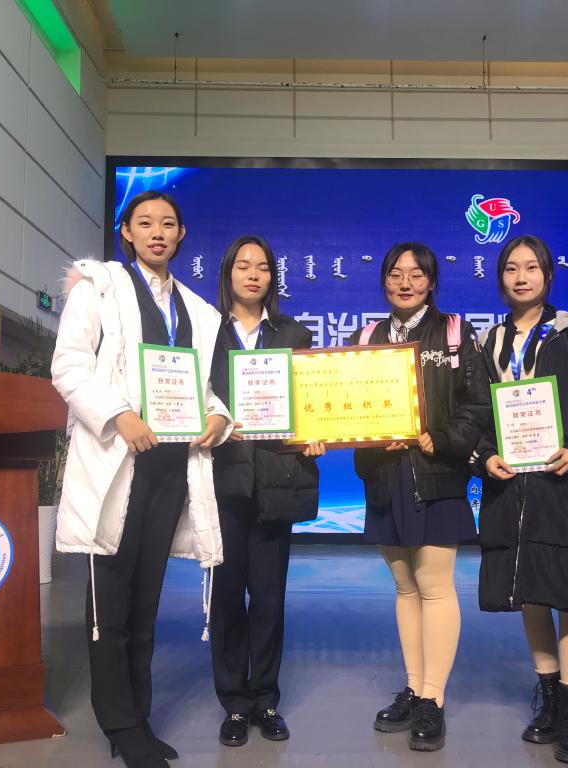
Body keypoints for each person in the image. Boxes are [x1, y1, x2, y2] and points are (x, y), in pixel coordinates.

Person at [51, 190, 232, 768]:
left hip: (171, 469)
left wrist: (218, 418)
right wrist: (118, 416)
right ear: (125, 231)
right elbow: (68, 366)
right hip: (117, 464)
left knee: (145, 602)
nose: (158, 232)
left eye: (168, 224)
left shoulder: (197, 310)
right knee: (110, 600)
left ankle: (139, 714)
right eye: (145, 222)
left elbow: (207, 389)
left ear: (181, 236)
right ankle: (119, 722)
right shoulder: (99, 287)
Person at [471, 234, 568, 765]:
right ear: (500, 278)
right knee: (530, 592)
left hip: (566, 483)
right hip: (513, 487)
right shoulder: (488, 342)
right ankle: (551, 701)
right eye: (511, 268)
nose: (521, 277)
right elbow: (475, 414)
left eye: (531, 267)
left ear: (548, 276)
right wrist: (484, 456)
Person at [349, 242, 486, 752]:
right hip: (384, 478)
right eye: (395, 273)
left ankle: (434, 698)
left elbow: (477, 405)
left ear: (431, 282)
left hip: (435, 476)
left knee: (434, 586)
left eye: (416, 274)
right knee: (405, 588)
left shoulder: (454, 333)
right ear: (384, 280)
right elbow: (348, 404)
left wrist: (441, 438)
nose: (404, 283)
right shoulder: (366, 337)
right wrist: (365, 436)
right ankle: (413, 686)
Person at [208, 235, 326, 747]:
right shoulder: (207, 332)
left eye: (262, 267)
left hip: (276, 481)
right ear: (228, 273)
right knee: (227, 599)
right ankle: (234, 704)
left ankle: (266, 699)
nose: (253, 274)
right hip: (223, 481)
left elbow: (311, 400)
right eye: (243, 265)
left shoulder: (294, 334)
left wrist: (316, 431)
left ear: (273, 278)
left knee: (270, 599)